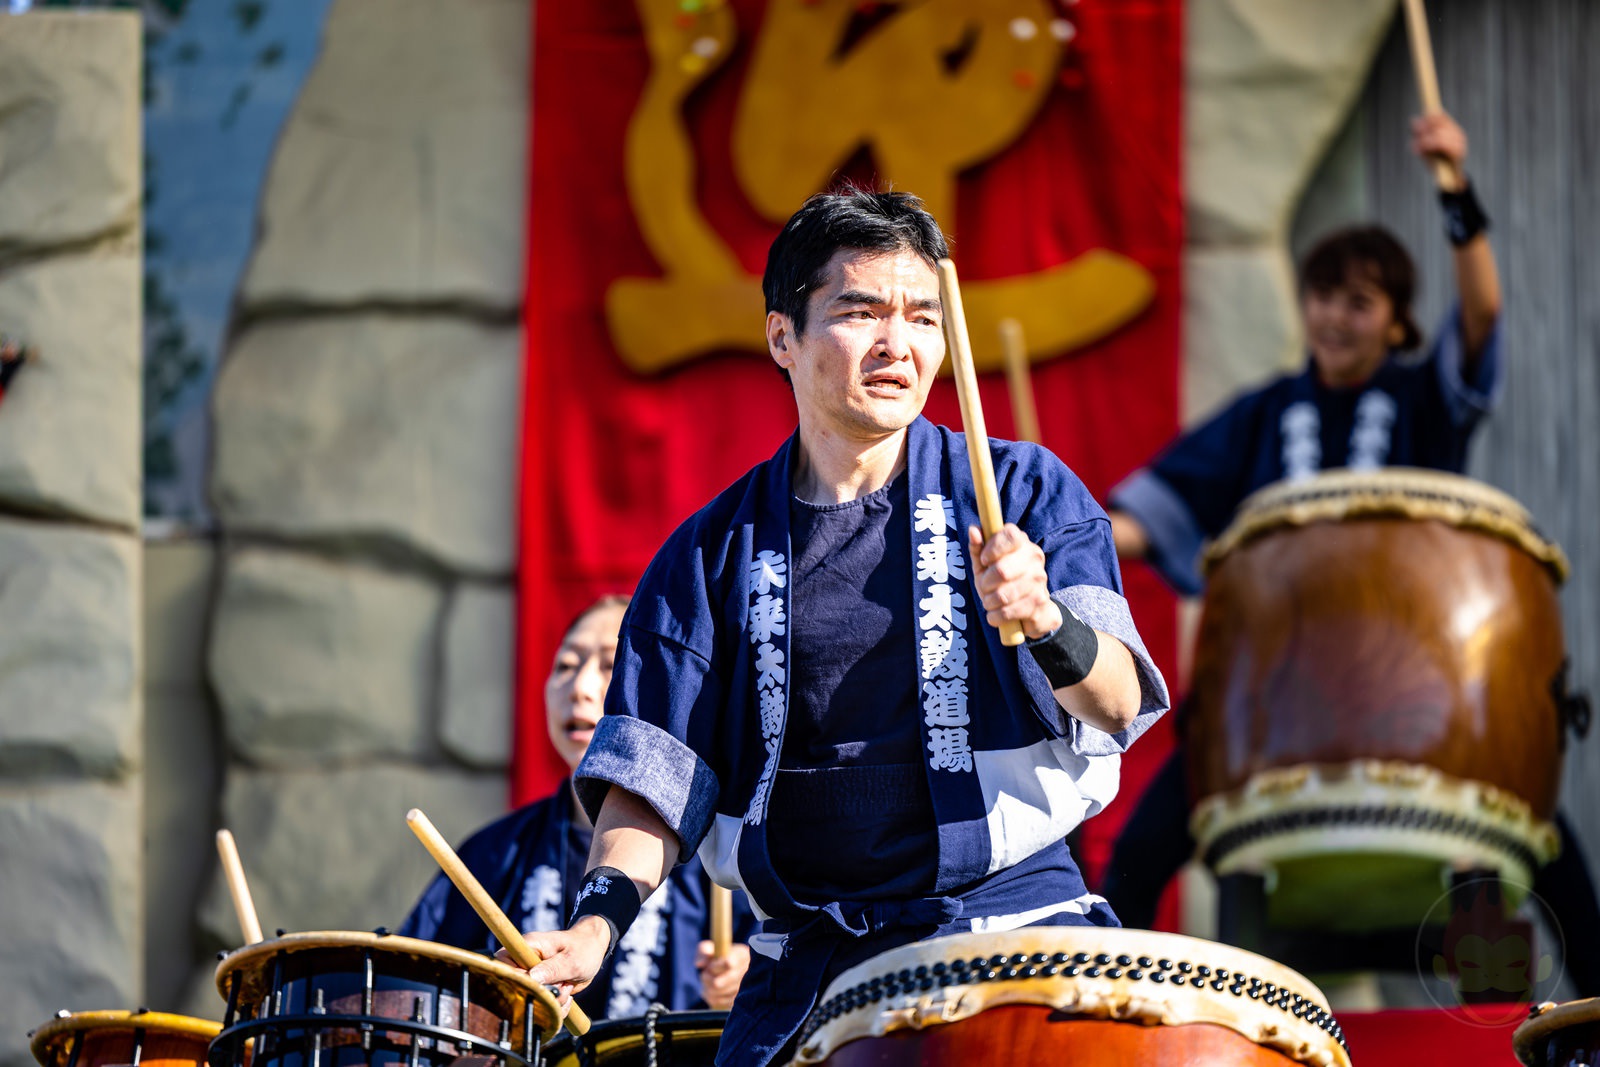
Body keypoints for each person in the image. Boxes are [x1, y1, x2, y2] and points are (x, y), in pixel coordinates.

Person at [504, 188, 1169, 1067]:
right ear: (783, 335)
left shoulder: (1024, 494)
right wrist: (596, 927)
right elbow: (653, 782)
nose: (900, 343)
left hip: (1014, 936)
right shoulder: (708, 557)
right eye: (861, 312)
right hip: (806, 971)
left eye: (923, 317)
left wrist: (1044, 620)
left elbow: (1120, 700)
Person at [1101, 108, 1600, 1002]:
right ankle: (1098, 1021)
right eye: (1325, 294)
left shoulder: (1422, 404)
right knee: (1140, 850)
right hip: (1278, 711)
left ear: (1398, 325)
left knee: (1538, 831)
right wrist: (1077, 535)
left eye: (1360, 302)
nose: (1335, 315)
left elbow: (1482, 312)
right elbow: (1160, 510)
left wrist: (1455, 187)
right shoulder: (1264, 414)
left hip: (1428, 706)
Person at [398, 594, 754, 1019]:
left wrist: (749, 983)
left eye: (610, 665)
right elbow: (412, 988)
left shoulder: (724, 855)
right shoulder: (493, 854)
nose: (580, 688)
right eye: (565, 666)